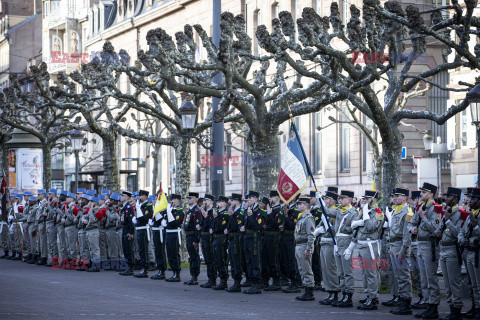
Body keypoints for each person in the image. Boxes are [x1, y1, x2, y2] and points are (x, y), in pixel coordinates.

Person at [409, 182, 442, 319]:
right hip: (420, 244)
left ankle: (433, 307)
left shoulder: (436, 209)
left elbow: (436, 230)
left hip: (430, 245)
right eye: (421, 192)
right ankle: (427, 305)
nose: (421, 194)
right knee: (423, 279)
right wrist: (412, 228)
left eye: (424, 192)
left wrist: (423, 217)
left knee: (431, 278)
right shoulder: (421, 207)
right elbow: (412, 222)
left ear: (431, 194)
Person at [350, 191, 384, 310]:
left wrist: (365, 215)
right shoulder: (363, 211)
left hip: (370, 246)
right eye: (363, 199)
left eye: (366, 199)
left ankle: (373, 298)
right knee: (364, 273)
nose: (363, 201)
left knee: (371, 273)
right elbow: (353, 225)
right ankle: (368, 294)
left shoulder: (378, 213)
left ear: (373, 199)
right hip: (361, 244)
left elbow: (370, 227)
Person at [435, 187, 465, 320]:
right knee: (447, 284)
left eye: (449, 196)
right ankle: (451, 308)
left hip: (453, 250)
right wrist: (438, 232)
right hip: (443, 250)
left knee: (454, 282)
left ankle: (457, 310)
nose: (446, 199)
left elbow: (458, 233)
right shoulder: (447, 211)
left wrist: (447, 220)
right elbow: (440, 229)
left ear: (456, 198)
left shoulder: (460, 213)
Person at [387, 187, 413, 315]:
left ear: (405, 198)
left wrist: (403, 251)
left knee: (403, 276)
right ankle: (402, 301)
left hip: (400, 246)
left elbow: (407, 235)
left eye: (398, 196)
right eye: (394, 196)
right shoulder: (396, 211)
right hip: (394, 245)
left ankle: (406, 303)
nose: (395, 198)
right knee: (398, 276)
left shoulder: (407, 212)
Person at [332, 190, 358, 308]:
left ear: (350, 200)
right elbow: (328, 211)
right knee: (340, 272)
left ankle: (348, 296)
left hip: (346, 244)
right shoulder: (339, 211)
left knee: (347, 272)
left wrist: (350, 247)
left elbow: (355, 232)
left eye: (343, 198)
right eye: (339, 198)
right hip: (338, 243)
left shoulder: (353, 213)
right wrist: (320, 201)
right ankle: (343, 294)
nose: (340, 200)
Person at [459, 187, 480, 320]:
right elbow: (462, 231)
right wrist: (462, 239)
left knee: (478, 284)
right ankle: (475, 307)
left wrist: (476, 225)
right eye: (469, 198)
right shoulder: (471, 213)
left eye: (473, 198)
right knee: (472, 284)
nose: (469, 200)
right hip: (469, 252)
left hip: (478, 252)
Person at [317, 190, 340, 305]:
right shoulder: (325, 212)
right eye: (324, 199)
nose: (325, 201)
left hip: (331, 242)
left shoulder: (336, 211)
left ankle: (334, 292)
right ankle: (329, 291)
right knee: (325, 269)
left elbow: (336, 229)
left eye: (327, 199)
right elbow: (320, 225)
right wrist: (318, 230)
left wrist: (328, 227)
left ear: (333, 200)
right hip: (324, 242)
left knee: (331, 269)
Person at [242, 191, 266, 294]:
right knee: (249, 261)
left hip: (255, 238)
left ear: (256, 199)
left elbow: (257, 226)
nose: (249, 200)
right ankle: (252, 282)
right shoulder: (248, 210)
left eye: (251, 198)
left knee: (255, 261)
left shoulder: (259, 212)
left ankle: (257, 284)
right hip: (247, 237)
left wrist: (251, 216)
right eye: (248, 198)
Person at [294, 196, 316, 301]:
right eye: (298, 204)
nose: (298, 205)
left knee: (307, 269)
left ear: (306, 205)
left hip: (304, 246)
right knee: (301, 269)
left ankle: (310, 291)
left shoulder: (308, 217)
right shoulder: (301, 217)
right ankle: (306, 289)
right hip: (298, 245)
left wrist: (308, 249)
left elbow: (311, 235)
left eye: (300, 204)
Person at [261, 190, 283, 291]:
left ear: (277, 198)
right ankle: (265, 280)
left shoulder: (279, 210)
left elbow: (276, 225)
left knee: (273, 259)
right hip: (267, 236)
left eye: (271, 197)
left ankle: (276, 281)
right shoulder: (271, 209)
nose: (269, 199)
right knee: (266, 259)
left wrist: (269, 215)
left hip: (273, 236)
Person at [281, 194, 302, 294]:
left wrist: (285, 215)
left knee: (292, 260)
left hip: (291, 237)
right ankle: (292, 282)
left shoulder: (296, 211)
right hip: (286, 237)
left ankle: (295, 282)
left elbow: (293, 225)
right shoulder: (289, 209)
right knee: (287, 260)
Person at [226, 193, 245, 292]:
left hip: (237, 239)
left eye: (232, 201)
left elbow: (236, 227)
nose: (230, 202)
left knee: (236, 260)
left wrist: (231, 216)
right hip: (232, 239)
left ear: (237, 202)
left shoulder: (239, 213)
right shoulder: (233, 212)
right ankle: (235, 282)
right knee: (232, 261)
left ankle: (237, 282)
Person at [210, 195, 230, 290]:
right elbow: (213, 226)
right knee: (217, 259)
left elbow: (221, 227)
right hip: (216, 238)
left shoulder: (225, 214)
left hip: (221, 238)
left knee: (221, 259)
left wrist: (216, 217)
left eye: (220, 202)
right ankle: (221, 279)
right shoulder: (218, 213)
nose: (217, 203)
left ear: (225, 203)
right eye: (217, 202)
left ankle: (223, 280)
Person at [133, 190, 153, 278]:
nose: (139, 197)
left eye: (140, 195)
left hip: (144, 229)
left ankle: (145, 269)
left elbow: (145, 218)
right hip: (139, 229)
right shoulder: (140, 205)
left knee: (143, 249)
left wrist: (138, 216)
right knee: (140, 249)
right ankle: (143, 268)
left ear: (145, 196)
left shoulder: (148, 205)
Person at [183, 192, 202, 285]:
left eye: (190, 198)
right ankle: (192, 275)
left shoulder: (196, 211)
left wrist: (196, 240)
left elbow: (197, 227)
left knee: (194, 256)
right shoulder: (190, 210)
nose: (188, 200)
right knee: (191, 256)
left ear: (195, 199)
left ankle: (195, 276)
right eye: (188, 198)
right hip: (188, 235)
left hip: (192, 236)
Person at [165, 194, 184, 282]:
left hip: (174, 234)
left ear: (178, 201)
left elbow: (175, 222)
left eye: (173, 200)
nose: (171, 201)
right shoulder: (170, 210)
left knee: (175, 254)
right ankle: (173, 272)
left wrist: (169, 213)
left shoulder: (179, 211)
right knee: (170, 254)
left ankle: (177, 273)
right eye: (171, 199)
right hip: (168, 233)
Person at [199, 194, 216, 288]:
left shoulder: (213, 211)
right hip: (204, 236)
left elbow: (213, 224)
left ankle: (212, 279)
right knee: (207, 259)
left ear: (211, 202)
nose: (205, 202)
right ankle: (210, 278)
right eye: (204, 200)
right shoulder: (205, 211)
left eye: (207, 200)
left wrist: (206, 217)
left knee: (210, 259)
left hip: (210, 237)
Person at [84, 197, 104, 272]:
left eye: (92, 201)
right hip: (89, 230)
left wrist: (91, 210)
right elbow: (85, 217)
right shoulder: (91, 210)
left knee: (95, 249)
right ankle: (93, 264)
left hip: (94, 230)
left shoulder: (98, 211)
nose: (90, 203)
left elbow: (92, 220)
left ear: (95, 203)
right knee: (91, 249)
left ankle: (96, 265)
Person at [308, 191, 323, 291]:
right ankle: (314, 280)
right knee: (312, 260)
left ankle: (318, 281)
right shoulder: (311, 210)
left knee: (316, 261)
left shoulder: (318, 211)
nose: (310, 200)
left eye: (311, 198)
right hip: (312, 237)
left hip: (317, 238)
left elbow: (316, 223)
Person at [119, 191, 135, 276]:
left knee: (129, 249)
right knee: (125, 249)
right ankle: (128, 267)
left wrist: (131, 232)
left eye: (123, 195)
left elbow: (131, 221)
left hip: (128, 230)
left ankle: (131, 268)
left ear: (128, 197)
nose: (121, 197)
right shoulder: (124, 207)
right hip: (124, 229)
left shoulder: (129, 207)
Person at [45, 189, 59, 267]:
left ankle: (55, 260)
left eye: (50, 194)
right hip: (48, 223)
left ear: (53, 194)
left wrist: (49, 205)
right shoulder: (50, 202)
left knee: (53, 242)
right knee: (50, 243)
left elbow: (52, 213)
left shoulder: (55, 202)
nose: (49, 195)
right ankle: (53, 258)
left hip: (52, 223)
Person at [35, 189, 48, 265]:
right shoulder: (40, 203)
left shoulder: (45, 203)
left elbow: (44, 215)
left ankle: (44, 257)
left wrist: (43, 225)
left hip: (42, 223)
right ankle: (41, 255)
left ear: (43, 195)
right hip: (39, 223)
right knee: (40, 241)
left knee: (43, 241)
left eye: (39, 194)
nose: (38, 196)